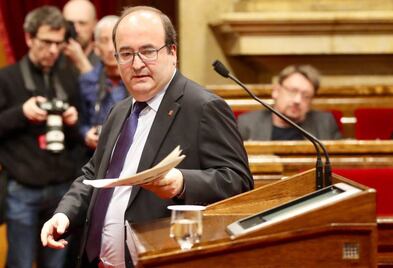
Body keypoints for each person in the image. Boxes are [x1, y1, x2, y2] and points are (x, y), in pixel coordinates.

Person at [41, 6, 253, 268]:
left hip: (160, 258)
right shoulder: (120, 110)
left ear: (172, 52)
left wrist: (183, 182)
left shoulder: (203, 107)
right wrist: (65, 214)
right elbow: (93, 175)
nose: (137, 64)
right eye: (126, 54)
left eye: (148, 51)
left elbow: (239, 182)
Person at [0, 6, 87, 268]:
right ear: (28, 38)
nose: (52, 50)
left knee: (57, 264)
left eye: (58, 44)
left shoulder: (69, 78)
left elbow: (78, 137)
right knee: (21, 263)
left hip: (62, 189)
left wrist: (73, 122)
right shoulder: (7, 78)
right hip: (22, 189)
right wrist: (21, 112)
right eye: (46, 42)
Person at [238, 64, 342, 140]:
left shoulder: (325, 123)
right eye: (292, 91)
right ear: (276, 91)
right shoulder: (248, 123)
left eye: (306, 96)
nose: (297, 100)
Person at [79, 15, 129, 150]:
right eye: (104, 40)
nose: (110, 48)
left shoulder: (137, 77)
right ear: (96, 48)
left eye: (115, 40)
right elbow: (80, 122)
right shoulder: (87, 80)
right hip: (94, 155)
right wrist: (86, 134)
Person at [63, 0, 99, 73]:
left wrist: (81, 61)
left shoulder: (104, 61)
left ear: (95, 25)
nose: (76, 29)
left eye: (82, 23)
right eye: (70, 23)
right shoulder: (53, 56)